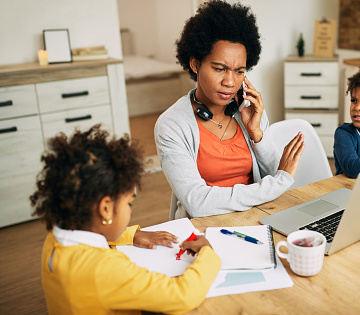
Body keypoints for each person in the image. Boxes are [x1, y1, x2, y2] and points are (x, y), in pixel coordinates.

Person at [30, 125, 221, 314]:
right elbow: (182, 295)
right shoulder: (103, 270)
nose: (130, 210)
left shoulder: (55, 238)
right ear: (105, 209)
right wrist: (207, 254)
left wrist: (131, 234)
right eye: (129, 203)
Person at [155, 0, 305, 219]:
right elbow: (197, 203)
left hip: (257, 219)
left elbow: (273, 174)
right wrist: (277, 183)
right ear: (195, 64)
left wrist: (257, 135)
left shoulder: (248, 110)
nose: (230, 81)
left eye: (239, 71)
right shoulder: (172, 125)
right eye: (219, 69)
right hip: (203, 230)